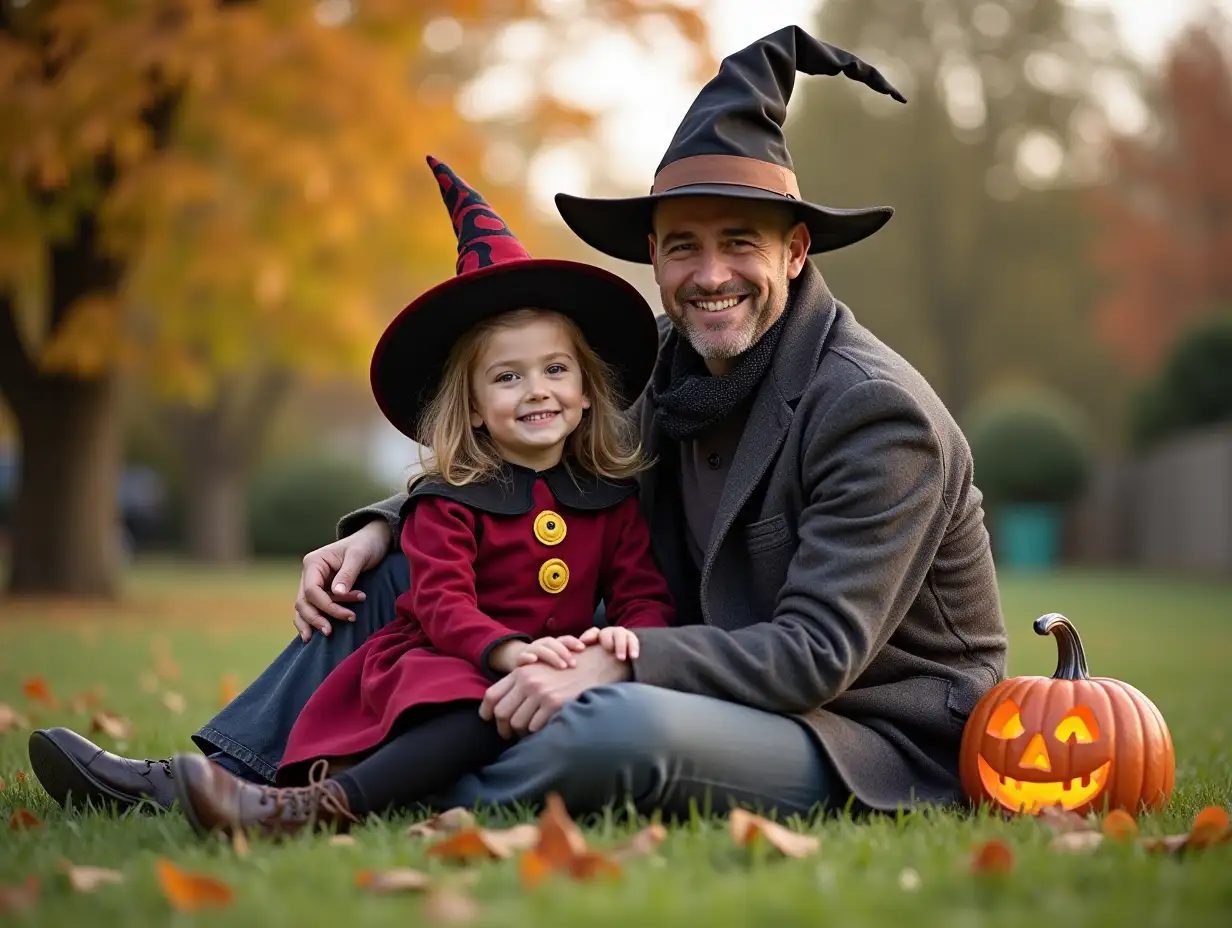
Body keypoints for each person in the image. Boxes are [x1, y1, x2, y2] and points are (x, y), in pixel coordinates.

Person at [28, 27, 1007, 822]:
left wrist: (608, 655)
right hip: (674, 658)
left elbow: (813, 653)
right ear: (655, 260)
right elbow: (528, 451)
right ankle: (211, 775)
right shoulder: (667, 365)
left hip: (852, 728)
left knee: (610, 732)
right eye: (681, 248)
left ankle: (349, 793)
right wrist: (378, 524)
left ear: (794, 251)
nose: (708, 274)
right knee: (407, 563)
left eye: (737, 243)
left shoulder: (872, 412)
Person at [165, 157, 675, 837]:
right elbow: (439, 601)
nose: (537, 390)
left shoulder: (610, 500)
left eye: (556, 370)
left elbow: (643, 591)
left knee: (546, 713)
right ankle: (319, 806)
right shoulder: (449, 501)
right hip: (452, 661)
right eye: (507, 377)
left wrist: (625, 635)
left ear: (586, 395)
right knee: (477, 708)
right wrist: (505, 652)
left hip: (560, 670)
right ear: (470, 407)